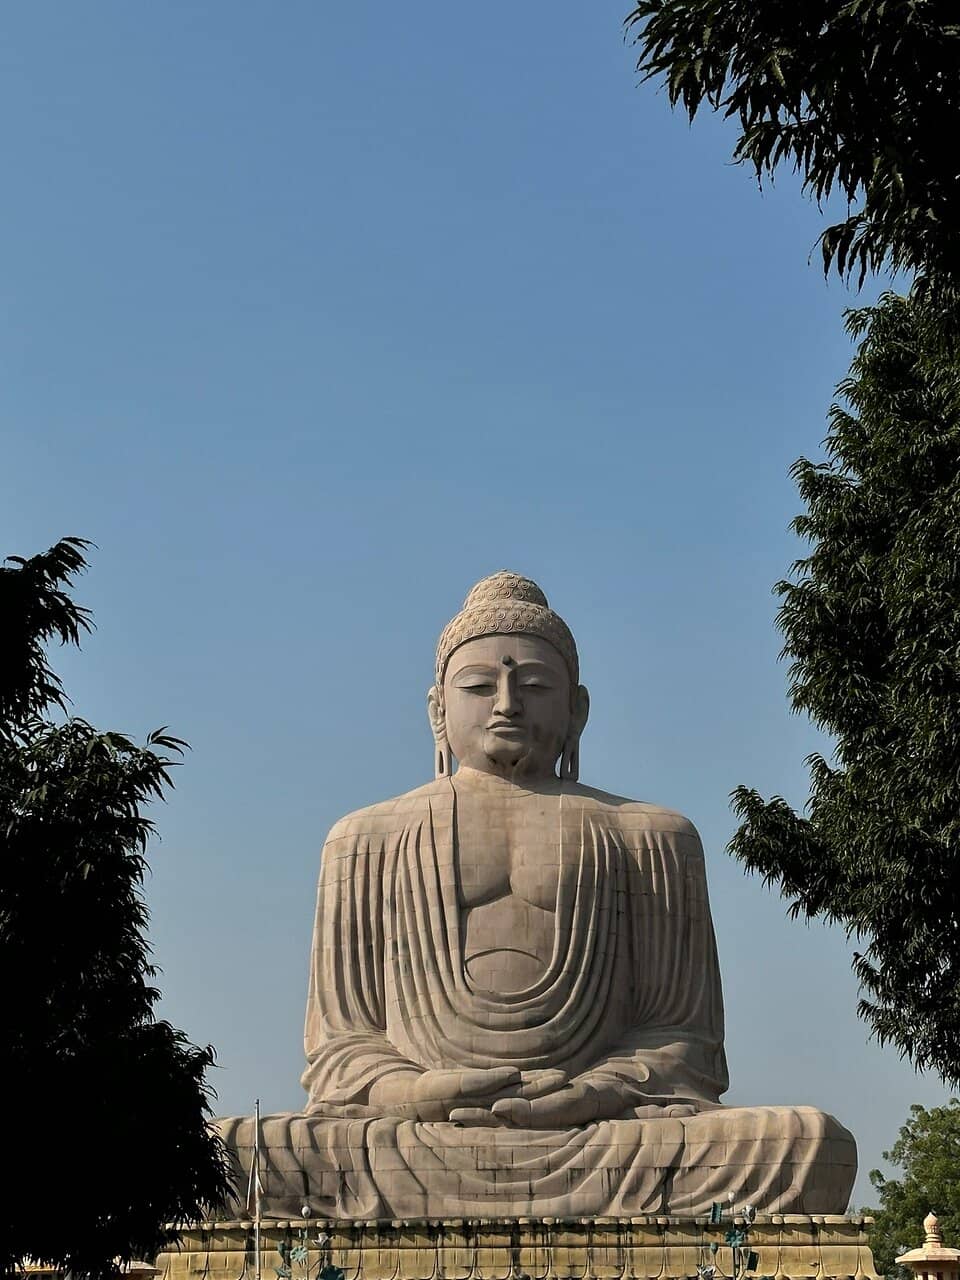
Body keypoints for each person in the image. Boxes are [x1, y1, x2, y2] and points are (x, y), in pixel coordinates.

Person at [217, 572, 856, 1219]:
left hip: (600, 1134)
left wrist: (595, 1093)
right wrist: (413, 1091)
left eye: (534, 686)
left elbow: (682, 1041)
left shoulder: (652, 836)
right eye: (478, 686)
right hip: (416, 1135)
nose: (507, 704)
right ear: (437, 709)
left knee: (806, 1144)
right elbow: (342, 1047)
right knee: (223, 1156)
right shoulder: (364, 838)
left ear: (576, 709)